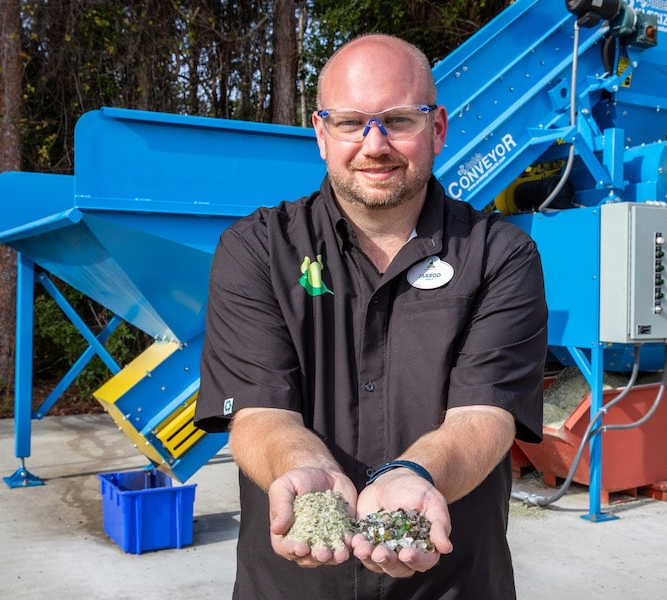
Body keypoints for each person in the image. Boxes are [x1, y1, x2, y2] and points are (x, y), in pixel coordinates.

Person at [195, 33, 548, 599]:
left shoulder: (499, 254)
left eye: (398, 121)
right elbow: (258, 412)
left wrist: (417, 475)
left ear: (437, 128)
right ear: (320, 133)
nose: (374, 144)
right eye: (351, 122)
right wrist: (304, 467)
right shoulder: (257, 249)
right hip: (292, 588)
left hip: (454, 585)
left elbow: (486, 414)